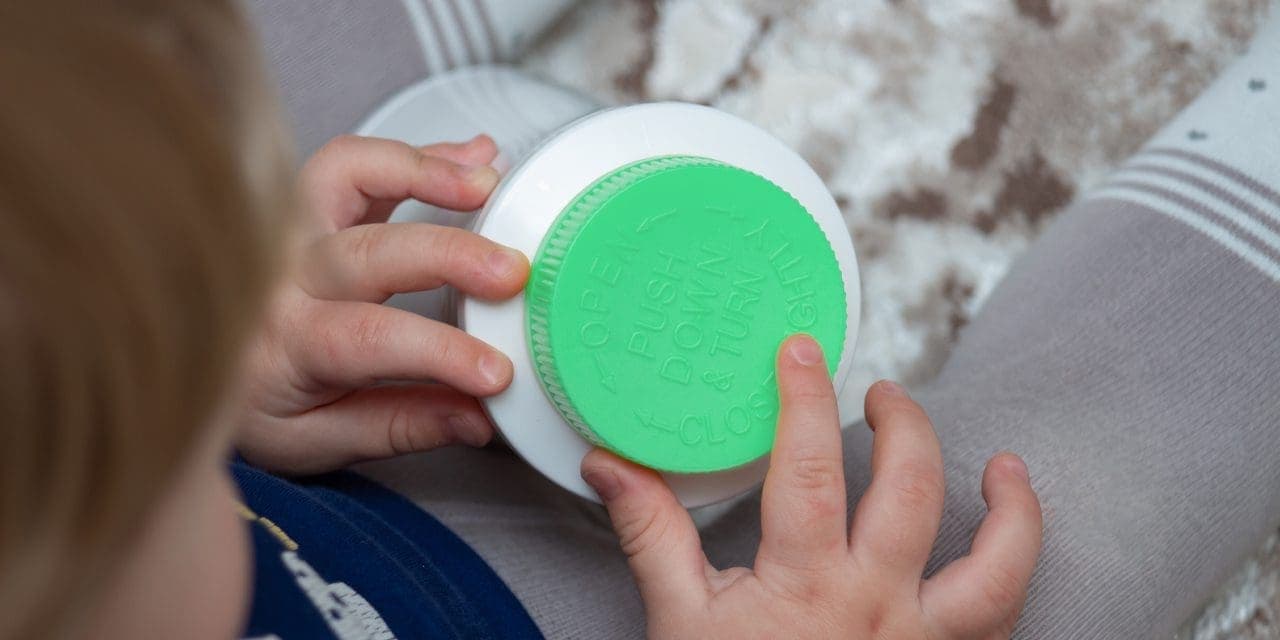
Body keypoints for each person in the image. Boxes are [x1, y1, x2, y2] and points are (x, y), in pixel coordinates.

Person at [0, 2, 1041, 639]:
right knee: (985, 536)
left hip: (323, 492)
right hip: (523, 617)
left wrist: (221, 383)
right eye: (167, 461)